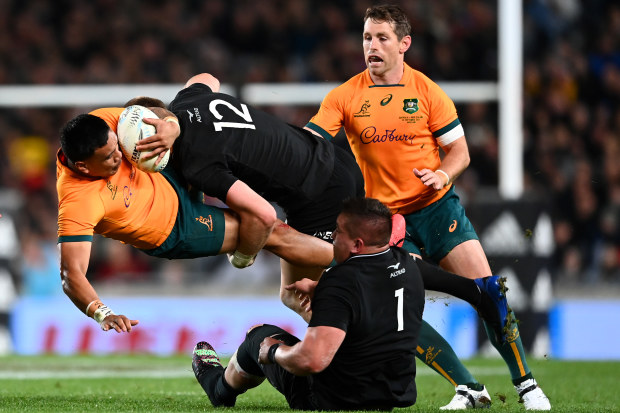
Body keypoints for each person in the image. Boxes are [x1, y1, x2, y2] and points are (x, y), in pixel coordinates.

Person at [305, 4, 550, 410]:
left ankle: (525, 383)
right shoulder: (344, 96)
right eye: (367, 37)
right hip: (387, 224)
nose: (372, 46)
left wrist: (444, 175)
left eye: (382, 38)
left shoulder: (426, 92)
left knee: (489, 293)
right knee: (396, 314)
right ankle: (469, 388)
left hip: (437, 209)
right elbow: (311, 143)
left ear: (404, 44)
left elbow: (459, 152)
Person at [57, 109, 334, 332]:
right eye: (109, 157)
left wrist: (170, 126)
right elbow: (71, 274)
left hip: (169, 174)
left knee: (195, 124)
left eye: (117, 146)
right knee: (270, 230)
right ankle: (360, 262)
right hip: (177, 226)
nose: (119, 155)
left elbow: (154, 110)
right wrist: (102, 313)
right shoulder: (77, 202)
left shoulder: (103, 122)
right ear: (82, 167)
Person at [191, 197, 425, 411]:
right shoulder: (404, 270)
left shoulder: (342, 280)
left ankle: (218, 388)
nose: (333, 235)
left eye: (339, 231)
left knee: (258, 337)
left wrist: (273, 350)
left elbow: (310, 360)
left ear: (357, 243)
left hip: (328, 399)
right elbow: (458, 284)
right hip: (387, 398)